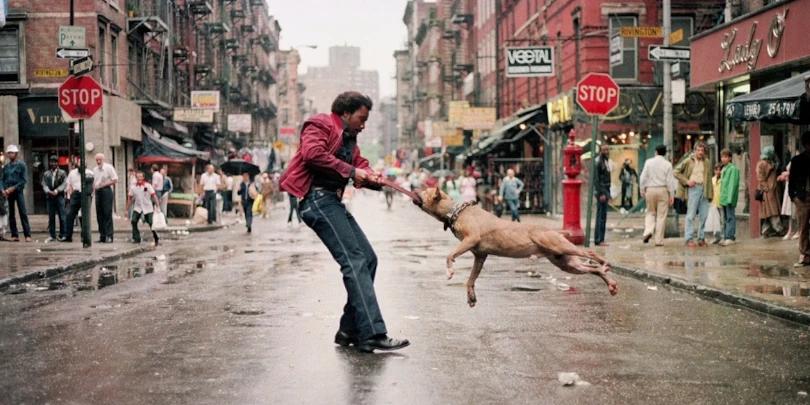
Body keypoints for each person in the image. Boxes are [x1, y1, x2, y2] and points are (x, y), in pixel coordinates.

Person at [280, 91, 409, 353]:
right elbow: (312, 154)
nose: (363, 124)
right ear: (345, 113)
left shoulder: (351, 140)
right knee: (354, 260)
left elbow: (360, 164)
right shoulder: (320, 123)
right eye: (361, 118)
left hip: (331, 201)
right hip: (316, 199)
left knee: (369, 259)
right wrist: (352, 171)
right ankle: (372, 333)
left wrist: (373, 177)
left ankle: (349, 330)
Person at [674, 142, 713, 247]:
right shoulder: (688, 161)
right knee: (691, 215)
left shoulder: (707, 162)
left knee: (704, 215)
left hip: (704, 189)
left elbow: (709, 178)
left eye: (702, 150)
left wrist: (710, 193)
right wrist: (687, 181)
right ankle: (689, 238)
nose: (700, 152)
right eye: (698, 150)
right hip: (693, 189)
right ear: (695, 150)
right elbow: (675, 172)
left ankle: (701, 238)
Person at [639, 144, 676, 246]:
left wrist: (642, 189)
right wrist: (672, 195)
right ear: (665, 153)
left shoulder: (648, 162)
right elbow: (670, 181)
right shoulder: (668, 164)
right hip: (663, 190)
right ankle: (658, 240)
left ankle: (648, 231)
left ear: (655, 152)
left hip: (650, 190)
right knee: (661, 216)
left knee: (650, 212)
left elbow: (643, 177)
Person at [788, 131, 810, 267]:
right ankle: (805, 254)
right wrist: (793, 196)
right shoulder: (797, 160)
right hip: (802, 197)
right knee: (803, 226)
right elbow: (792, 180)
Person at [2, 145, 32, 242]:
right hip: (8, 193)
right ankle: (14, 234)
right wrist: (3, 190)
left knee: (22, 212)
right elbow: (2, 179)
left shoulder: (21, 165)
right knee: (11, 214)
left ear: (16, 154)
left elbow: (23, 180)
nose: (10, 154)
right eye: (9, 153)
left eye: (12, 153)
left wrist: (13, 188)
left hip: (18, 192)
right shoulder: (6, 167)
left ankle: (27, 235)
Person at [126, 170, 161, 245]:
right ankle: (136, 238)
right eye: (138, 177)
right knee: (134, 221)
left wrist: (157, 206)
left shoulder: (147, 186)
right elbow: (130, 198)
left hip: (147, 207)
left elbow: (153, 195)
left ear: (143, 177)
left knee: (151, 223)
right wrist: (127, 209)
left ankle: (156, 237)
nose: (139, 178)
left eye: (140, 177)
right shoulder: (133, 187)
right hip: (138, 207)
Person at [756, 146, 784, 238]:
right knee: (772, 211)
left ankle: (766, 230)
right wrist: (766, 187)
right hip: (767, 191)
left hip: (771, 190)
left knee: (769, 212)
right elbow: (760, 178)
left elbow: (778, 164)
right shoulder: (762, 164)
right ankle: (778, 228)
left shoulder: (769, 162)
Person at [63, 160, 93, 243]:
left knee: (84, 216)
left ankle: (84, 236)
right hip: (76, 193)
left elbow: (92, 185)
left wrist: (91, 194)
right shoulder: (72, 173)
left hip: (86, 193)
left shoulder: (89, 173)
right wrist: (70, 194)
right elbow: (68, 184)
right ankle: (68, 236)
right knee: (69, 214)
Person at [92, 153, 118, 243]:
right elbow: (94, 182)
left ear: (103, 160)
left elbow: (115, 179)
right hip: (98, 191)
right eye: (97, 160)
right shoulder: (95, 169)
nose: (98, 162)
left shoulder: (108, 167)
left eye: (100, 160)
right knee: (99, 214)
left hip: (106, 190)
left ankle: (109, 235)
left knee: (107, 213)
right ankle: (102, 235)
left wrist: (104, 184)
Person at [41, 156, 67, 242]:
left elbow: (64, 183)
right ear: (49, 163)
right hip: (50, 197)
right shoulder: (46, 173)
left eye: (55, 162)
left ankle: (63, 234)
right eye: (52, 162)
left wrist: (57, 190)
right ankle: (52, 235)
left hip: (59, 196)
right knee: (51, 217)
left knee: (62, 216)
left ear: (58, 163)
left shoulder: (62, 173)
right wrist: (48, 191)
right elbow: (44, 184)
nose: (53, 164)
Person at [718, 148, 740, 246]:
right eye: (722, 157)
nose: (723, 159)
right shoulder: (724, 169)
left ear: (730, 158)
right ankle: (726, 236)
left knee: (730, 217)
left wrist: (730, 198)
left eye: (726, 157)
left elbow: (732, 184)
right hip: (723, 198)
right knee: (726, 217)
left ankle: (730, 236)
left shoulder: (733, 169)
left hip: (729, 198)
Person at [593, 144, 612, 246]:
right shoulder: (598, 162)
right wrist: (601, 193)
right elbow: (597, 180)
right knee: (600, 216)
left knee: (603, 216)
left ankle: (601, 239)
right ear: (600, 151)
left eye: (607, 149)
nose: (606, 151)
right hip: (602, 191)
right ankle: (599, 239)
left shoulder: (606, 161)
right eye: (604, 150)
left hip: (606, 190)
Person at [705, 163, 723, 244]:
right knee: (715, 220)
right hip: (714, 203)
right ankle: (717, 237)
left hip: (722, 202)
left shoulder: (723, 179)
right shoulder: (712, 180)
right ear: (714, 170)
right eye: (716, 170)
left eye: (720, 169)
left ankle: (723, 236)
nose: (718, 171)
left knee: (722, 220)